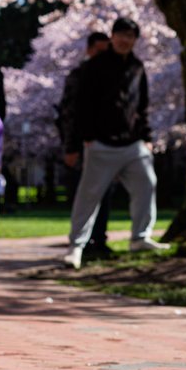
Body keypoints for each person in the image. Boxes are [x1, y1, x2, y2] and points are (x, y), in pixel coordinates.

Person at [62, 17, 168, 269]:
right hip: (100, 143)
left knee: (146, 184)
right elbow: (80, 106)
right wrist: (80, 141)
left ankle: (140, 237)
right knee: (89, 196)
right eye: (121, 35)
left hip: (133, 144)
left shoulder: (137, 67)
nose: (125, 40)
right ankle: (76, 246)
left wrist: (146, 138)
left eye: (130, 36)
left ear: (135, 40)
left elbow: (142, 106)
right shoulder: (94, 67)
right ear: (112, 37)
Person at [57, 32, 115, 259]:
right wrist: (71, 147)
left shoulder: (112, 75)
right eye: (99, 51)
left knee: (105, 192)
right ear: (89, 50)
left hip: (109, 144)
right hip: (83, 145)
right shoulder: (78, 76)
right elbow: (69, 114)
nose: (103, 56)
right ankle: (82, 241)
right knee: (85, 194)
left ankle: (99, 240)